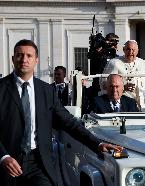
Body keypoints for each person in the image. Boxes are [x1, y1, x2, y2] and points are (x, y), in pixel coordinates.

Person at [0, 39, 122, 186]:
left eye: (29, 56)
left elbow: (69, 122)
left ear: (36, 60)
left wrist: (98, 143)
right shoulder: (1, 89)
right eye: (19, 55)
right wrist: (3, 156)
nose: (24, 59)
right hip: (6, 164)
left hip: (38, 163)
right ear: (13, 59)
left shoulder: (46, 91)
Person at [102, 40, 145, 111]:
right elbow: (104, 84)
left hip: (144, 106)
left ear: (137, 51)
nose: (131, 52)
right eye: (128, 49)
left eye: (133, 50)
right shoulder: (114, 63)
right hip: (125, 107)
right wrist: (122, 87)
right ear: (124, 50)